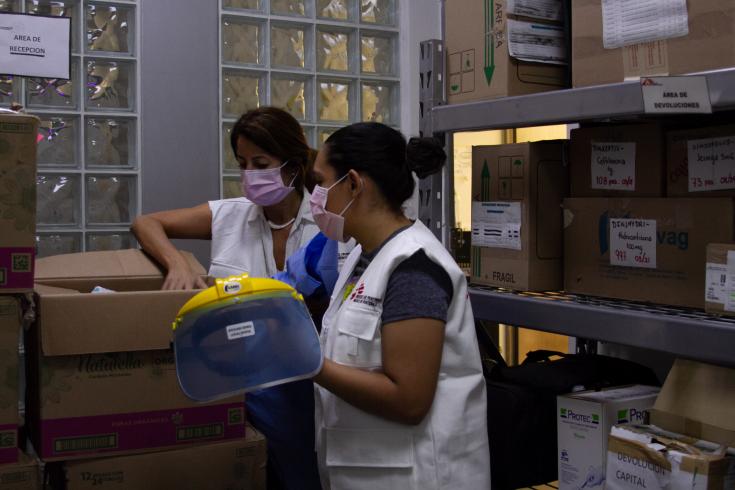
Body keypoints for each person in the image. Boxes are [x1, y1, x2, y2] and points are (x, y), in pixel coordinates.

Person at [131, 107, 329, 490]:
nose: (250, 175)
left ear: (292, 164)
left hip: (305, 385)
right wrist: (178, 263)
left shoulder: (326, 221)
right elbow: (146, 223)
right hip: (234, 382)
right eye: (242, 163)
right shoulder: (229, 216)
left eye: (261, 163)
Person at [308, 122, 491, 490]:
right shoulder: (363, 256)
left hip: (419, 477)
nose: (315, 195)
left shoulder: (413, 268)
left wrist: (308, 365)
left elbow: (409, 400)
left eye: (321, 181)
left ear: (354, 184)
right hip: (366, 471)